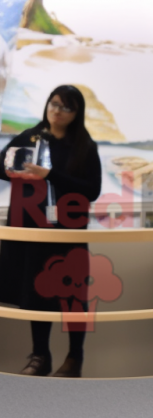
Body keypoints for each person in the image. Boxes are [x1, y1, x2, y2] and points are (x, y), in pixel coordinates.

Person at [0, 85, 102, 376]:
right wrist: (14, 169)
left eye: (66, 107)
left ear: (76, 113)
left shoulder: (84, 146)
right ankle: (40, 356)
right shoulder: (29, 138)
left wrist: (51, 175)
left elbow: (92, 190)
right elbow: (1, 167)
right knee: (37, 293)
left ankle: (74, 358)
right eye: (54, 104)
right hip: (34, 230)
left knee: (73, 295)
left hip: (69, 231)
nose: (57, 111)